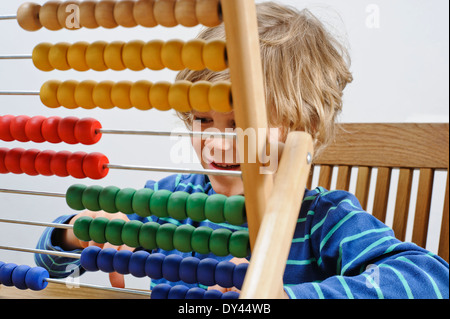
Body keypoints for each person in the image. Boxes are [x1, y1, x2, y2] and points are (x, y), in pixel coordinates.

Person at [35, 1, 449, 299]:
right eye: (203, 121)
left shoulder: (325, 220)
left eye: (238, 125)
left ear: (306, 127)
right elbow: (49, 264)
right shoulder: (169, 202)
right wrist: (74, 232)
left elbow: (431, 279)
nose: (214, 141)